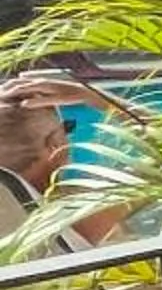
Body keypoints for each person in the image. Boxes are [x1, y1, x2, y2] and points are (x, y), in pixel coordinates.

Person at [0, 69, 146, 242]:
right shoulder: (87, 209)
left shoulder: (8, 214)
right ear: (55, 144)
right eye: (68, 127)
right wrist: (95, 97)